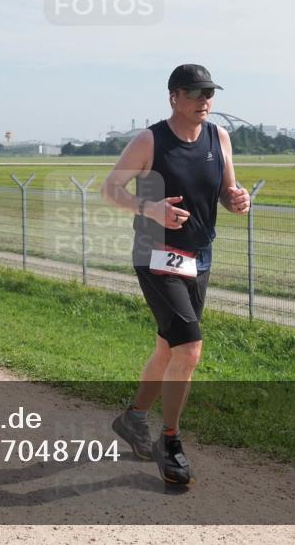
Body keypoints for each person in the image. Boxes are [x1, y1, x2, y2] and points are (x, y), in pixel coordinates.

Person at [101, 64, 250, 485]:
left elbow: (226, 191)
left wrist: (239, 200)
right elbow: (110, 189)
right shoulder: (150, 140)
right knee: (190, 348)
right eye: (197, 93)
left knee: (168, 348)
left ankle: (133, 418)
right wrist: (150, 208)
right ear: (174, 97)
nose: (206, 101)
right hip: (156, 254)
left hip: (199, 256)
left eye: (210, 93)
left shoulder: (219, 137)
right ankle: (170, 442)